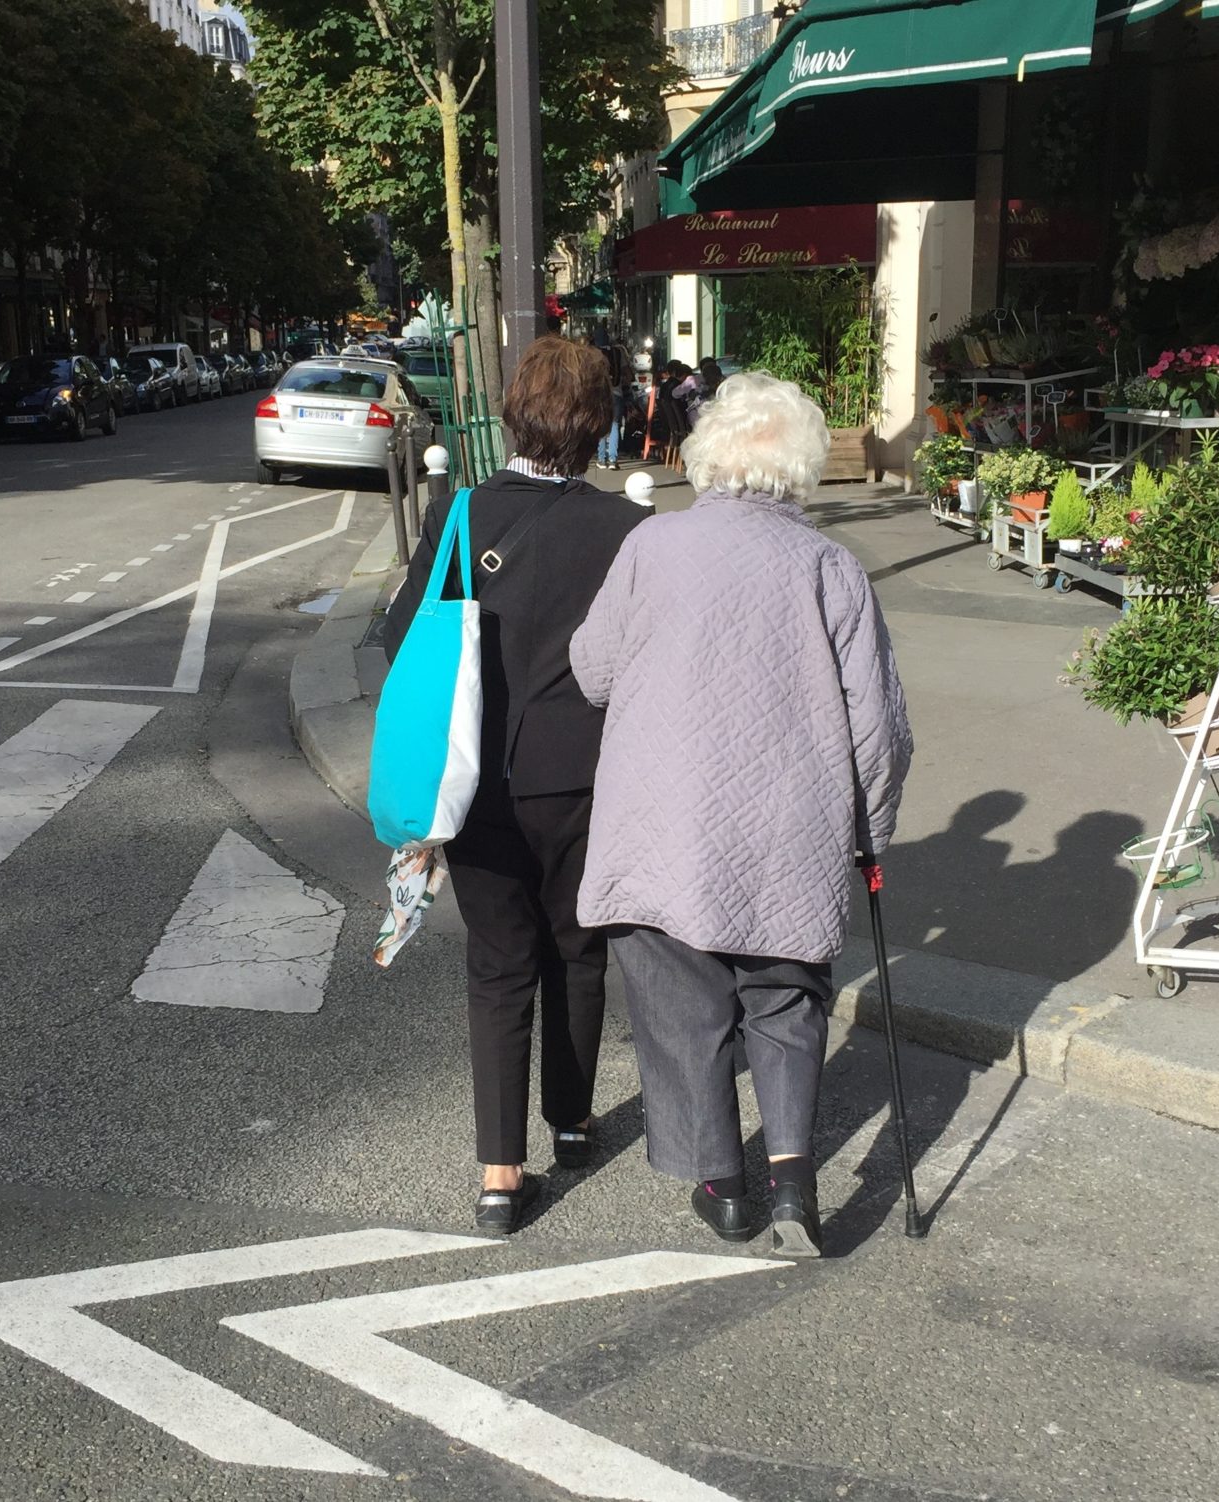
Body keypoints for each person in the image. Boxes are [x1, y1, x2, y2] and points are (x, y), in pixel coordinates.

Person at [570, 372, 913, 1258]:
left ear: (708, 453)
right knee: (786, 996)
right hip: (790, 828)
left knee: (684, 1006)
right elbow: (878, 724)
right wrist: (870, 834)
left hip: (665, 824)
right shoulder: (832, 566)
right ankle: (795, 1185)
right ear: (800, 469)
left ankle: (726, 1188)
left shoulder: (654, 546)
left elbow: (592, 671)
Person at [383, 337, 650, 1234]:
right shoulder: (627, 531)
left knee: (498, 967)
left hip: (480, 777)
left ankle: (501, 1178)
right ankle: (572, 1122)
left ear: (511, 415)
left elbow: (402, 640)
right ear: (598, 425)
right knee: (579, 947)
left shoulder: (460, 516)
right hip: (586, 774)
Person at [593, 327, 627, 471]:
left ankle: (601, 459)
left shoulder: (593, 353)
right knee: (614, 426)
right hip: (617, 393)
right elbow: (626, 372)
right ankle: (613, 459)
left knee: (601, 426)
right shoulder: (618, 352)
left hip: (600, 394)